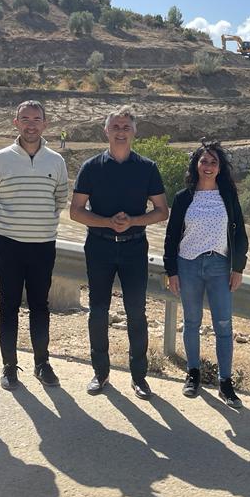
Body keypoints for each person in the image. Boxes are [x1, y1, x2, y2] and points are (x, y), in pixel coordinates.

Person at [69, 106, 168, 400]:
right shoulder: (91, 167)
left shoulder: (147, 168)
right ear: (106, 132)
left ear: (134, 131)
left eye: (126, 127)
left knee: (137, 313)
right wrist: (108, 223)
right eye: (116, 127)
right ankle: (100, 373)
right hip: (98, 246)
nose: (121, 132)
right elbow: (76, 212)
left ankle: (139, 378)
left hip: (135, 248)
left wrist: (133, 222)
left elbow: (162, 211)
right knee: (97, 312)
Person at [0, 100, 70, 391]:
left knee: (40, 306)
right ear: (15, 122)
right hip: (7, 244)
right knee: (8, 304)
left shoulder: (56, 161)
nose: (31, 124)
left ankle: (42, 363)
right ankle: (9, 367)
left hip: (42, 245)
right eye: (25, 119)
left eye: (36, 119)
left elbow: (60, 200)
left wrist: (37, 223)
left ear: (45, 124)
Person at [163, 141, 249, 408]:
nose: (208, 166)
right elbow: (171, 236)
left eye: (213, 162)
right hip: (188, 265)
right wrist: (171, 271)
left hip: (220, 267)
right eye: (204, 161)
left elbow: (240, 235)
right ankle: (193, 374)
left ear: (219, 167)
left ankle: (225, 383)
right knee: (191, 322)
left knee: (224, 325)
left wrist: (238, 268)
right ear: (196, 165)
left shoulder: (228, 197)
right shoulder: (183, 198)